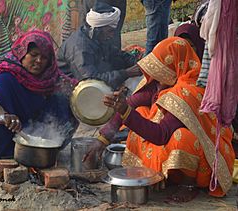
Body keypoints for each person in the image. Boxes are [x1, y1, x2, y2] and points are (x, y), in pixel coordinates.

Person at [84, 37, 235, 201]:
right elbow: (132, 103)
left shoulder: (188, 91)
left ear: (174, 66)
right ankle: (158, 174)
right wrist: (102, 139)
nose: (155, 76)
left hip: (205, 161)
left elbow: (160, 135)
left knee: (183, 137)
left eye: (160, 69)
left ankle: (188, 184)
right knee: (141, 112)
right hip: (165, 139)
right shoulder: (163, 83)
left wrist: (125, 110)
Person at [0, 30, 79, 169]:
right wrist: (3, 115)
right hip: (5, 128)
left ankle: (49, 149)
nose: (39, 61)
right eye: (33, 55)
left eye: (44, 57)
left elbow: (74, 89)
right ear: (22, 53)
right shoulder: (6, 73)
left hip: (34, 125)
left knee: (64, 98)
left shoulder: (52, 76)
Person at [57, 2, 141, 90]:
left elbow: (116, 55)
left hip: (95, 80)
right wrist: (126, 73)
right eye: (110, 31)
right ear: (97, 30)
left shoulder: (99, 37)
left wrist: (138, 62)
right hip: (75, 90)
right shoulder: (80, 48)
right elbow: (91, 82)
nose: (112, 35)